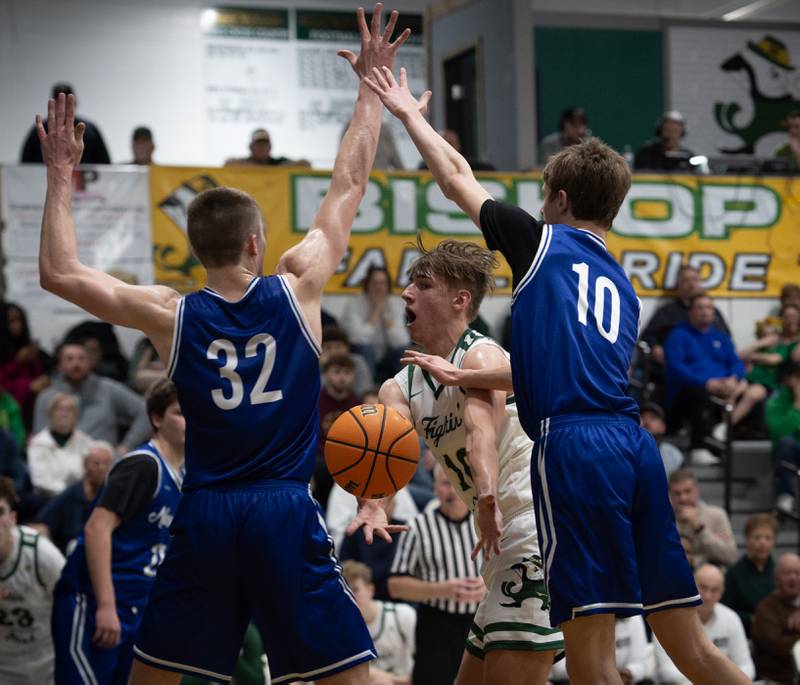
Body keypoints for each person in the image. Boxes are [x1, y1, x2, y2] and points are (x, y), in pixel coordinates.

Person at [36, 6, 410, 683]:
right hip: (281, 505)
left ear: (197, 247)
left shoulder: (171, 314)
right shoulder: (298, 284)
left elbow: (59, 275)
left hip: (205, 511)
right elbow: (350, 182)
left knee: (154, 676)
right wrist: (370, 88)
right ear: (254, 242)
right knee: (347, 676)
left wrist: (60, 173)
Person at [365, 65, 751, 683]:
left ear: (560, 201)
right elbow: (553, 370)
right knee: (692, 650)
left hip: (575, 449)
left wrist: (408, 114)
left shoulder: (542, 244)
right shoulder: (623, 287)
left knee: (593, 663)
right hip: (634, 446)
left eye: (544, 198)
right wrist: (467, 381)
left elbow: (455, 177)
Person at [380, 239, 563, 684]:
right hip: (503, 542)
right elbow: (388, 454)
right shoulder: (399, 386)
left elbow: (481, 430)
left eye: (423, 285)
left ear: (460, 301)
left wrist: (485, 498)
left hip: (533, 524)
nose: (407, 293)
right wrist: (373, 501)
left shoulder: (480, 355)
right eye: (409, 285)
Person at [51, 378, 184, 684]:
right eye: (180, 412)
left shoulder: (184, 476)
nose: (190, 421)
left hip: (138, 607)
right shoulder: (143, 465)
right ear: (156, 418)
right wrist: (107, 606)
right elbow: (97, 528)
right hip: (94, 601)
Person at [389, 465, 485, 685]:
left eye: (457, 482)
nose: (452, 490)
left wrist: (487, 586)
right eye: (445, 483)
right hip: (436, 626)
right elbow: (395, 585)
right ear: (435, 489)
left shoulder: (485, 522)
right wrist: (442, 589)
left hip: (481, 622)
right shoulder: (417, 527)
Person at [664, 292, 745, 464]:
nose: (705, 311)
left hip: (722, 389)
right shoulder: (678, 335)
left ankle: (723, 431)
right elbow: (675, 369)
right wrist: (707, 383)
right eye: (700, 307)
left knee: (750, 388)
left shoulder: (721, 337)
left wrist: (733, 379)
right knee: (698, 394)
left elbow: (737, 363)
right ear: (690, 312)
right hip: (686, 394)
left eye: (708, 307)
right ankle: (698, 448)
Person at [0, 476, 66, 685]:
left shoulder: (41, 554)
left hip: (45, 668)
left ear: (12, 518)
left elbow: (73, 608)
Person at [33, 343, 150, 454]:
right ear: (60, 365)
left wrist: (127, 446)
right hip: (62, 467)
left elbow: (145, 410)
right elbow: (40, 441)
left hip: (104, 464)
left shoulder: (107, 388)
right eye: (69, 359)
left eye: (81, 358)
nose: (76, 364)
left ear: (90, 362)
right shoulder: (47, 397)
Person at [653, 564, 754, 682]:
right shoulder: (668, 619)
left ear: (722, 592)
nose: (707, 596)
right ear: (690, 585)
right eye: (703, 587)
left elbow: (747, 667)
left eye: (714, 590)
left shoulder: (731, 618)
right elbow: (667, 671)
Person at [639, 265, 731, 370]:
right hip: (678, 366)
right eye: (686, 280)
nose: (691, 284)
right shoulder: (668, 312)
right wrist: (655, 348)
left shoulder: (713, 311)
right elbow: (648, 336)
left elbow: (727, 339)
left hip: (713, 365)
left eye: (694, 279)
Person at [343, 561, 416, 685]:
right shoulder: (337, 630)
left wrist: (395, 681)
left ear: (370, 590)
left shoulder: (403, 616)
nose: (351, 597)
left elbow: (428, 666)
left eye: (355, 590)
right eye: (345, 593)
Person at [34, 442, 114, 554]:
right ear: (85, 465)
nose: (101, 468)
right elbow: (41, 525)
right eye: (96, 463)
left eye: (106, 463)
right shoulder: (70, 495)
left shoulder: (114, 495)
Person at [341, 265, 410, 380]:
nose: (379, 288)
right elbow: (357, 339)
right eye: (375, 283)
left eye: (383, 283)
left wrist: (386, 318)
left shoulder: (394, 303)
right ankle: (367, 393)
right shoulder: (354, 303)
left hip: (386, 356)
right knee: (367, 349)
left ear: (388, 286)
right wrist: (375, 312)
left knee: (403, 351)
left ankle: (404, 393)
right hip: (362, 354)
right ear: (366, 285)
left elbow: (401, 341)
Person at [21, 83, 110, 164]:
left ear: (75, 103)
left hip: (83, 181)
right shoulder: (39, 131)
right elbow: (26, 167)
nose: (63, 108)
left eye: (68, 103)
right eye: (60, 103)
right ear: (52, 105)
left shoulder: (90, 130)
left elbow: (104, 165)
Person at [667, 469, 737, 568]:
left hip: (711, 580)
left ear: (697, 491)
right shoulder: (664, 520)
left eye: (688, 491)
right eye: (677, 494)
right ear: (670, 495)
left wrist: (699, 527)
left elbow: (730, 556)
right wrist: (708, 555)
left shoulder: (717, 515)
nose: (683, 498)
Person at [27, 393, 92, 498]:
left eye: (69, 410)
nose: (64, 414)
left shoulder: (86, 442)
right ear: (50, 414)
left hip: (82, 498)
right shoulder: (37, 444)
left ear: (76, 416)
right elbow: (40, 480)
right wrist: (70, 493)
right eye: (59, 409)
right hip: (47, 500)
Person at [722, 512, 777, 636]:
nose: (762, 543)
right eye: (757, 537)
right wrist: (753, 619)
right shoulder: (733, 574)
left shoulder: (779, 570)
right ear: (747, 539)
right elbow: (726, 611)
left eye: (768, 538)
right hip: (746, 634)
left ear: (774, 541)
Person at [550, 615, 648, 684]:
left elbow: (640, 665)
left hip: (620, 677)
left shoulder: (633, 619)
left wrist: (628, 672)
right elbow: (559, 670)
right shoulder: (575, 617)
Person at [0, 302, 51, 429]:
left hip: (32, 411)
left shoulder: (26, 346)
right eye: (11, 321)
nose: (17, 325)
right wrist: (18, 362)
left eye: (19, 320)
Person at [751, 553, 800, 683]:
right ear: (776, 578)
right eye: (787, 573)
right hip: (775, 679)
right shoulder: (766, 609)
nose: (793, 578)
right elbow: (780, 648)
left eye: (797, 573)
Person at [765, 362, 800, 514]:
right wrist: (797, 406)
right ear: (787, 380)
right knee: (786, 442)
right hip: (790, 453)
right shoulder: (774, 403)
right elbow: (780, 432)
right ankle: (785, 495)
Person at [320, 325, 373, 396]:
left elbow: (365, 391)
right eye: (328, 348)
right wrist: (323, 366)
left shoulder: (358, 362)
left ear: (347, 348)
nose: (334, 351)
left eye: (338, 346)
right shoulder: (317, 364)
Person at [225, 128, 310, 167]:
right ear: (250, 147)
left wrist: (275, 171)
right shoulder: (243, 161)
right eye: (258, 144)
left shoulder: (279, 162)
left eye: (265, 144)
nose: (261, 148)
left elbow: (305, 163)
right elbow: (228, 163)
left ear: (270, 147)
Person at [639, 402, 684, 476]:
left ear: (663, 427)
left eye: (653, 417)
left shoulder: (673, 454)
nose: (646, 421)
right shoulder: (626, 451)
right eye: (642, 417)